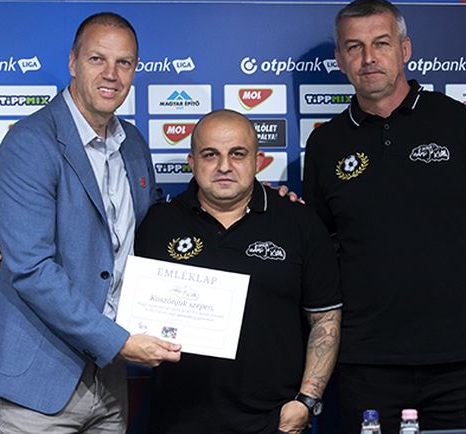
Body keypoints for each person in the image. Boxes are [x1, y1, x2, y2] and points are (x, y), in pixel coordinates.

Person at [302, 0, 466, 432]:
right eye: (354, 47)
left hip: (465, 362)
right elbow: (319, 253)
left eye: (381, 43)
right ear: (340, 61)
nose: (369, 58)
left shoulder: (463, 125)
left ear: (405, 49)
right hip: (364, 363)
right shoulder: (325, 144)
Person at [0, 12, 181, 433]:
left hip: (109, 374)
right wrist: (119, 342)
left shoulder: (133, 144)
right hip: (38, 377)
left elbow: (155, 230)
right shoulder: (31, 142)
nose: (111, 74)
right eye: (97, 59)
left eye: (124, 62)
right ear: (72, 62)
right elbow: (32, 269)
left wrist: (252, 199)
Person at [136, 109, 341, 434]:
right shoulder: (158, 223)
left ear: (258, 161)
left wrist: (306, 401)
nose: (224, 166)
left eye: (237, 154)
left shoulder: (299, 222)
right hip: (178, 421)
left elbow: (325, 318)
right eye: (210, 154)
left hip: (274, 422)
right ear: (191, 162)